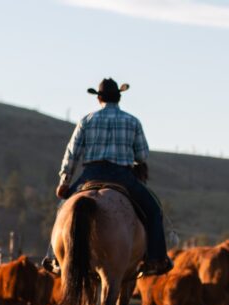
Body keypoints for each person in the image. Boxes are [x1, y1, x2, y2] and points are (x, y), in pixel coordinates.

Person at [44, 78, 172, 276]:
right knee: (154, 210)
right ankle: (155, 259)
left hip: (91, 174)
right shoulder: (132, 121)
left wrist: (65, 181)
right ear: (119, 99)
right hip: (122, 176)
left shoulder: (87, 120)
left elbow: (72, 153)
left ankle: (55, 258)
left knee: (63, 209)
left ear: (99, 99)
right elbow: (142, 155)